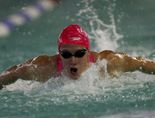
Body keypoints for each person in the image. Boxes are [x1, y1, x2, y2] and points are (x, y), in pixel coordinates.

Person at [0, 24, 155, 89]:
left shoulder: (109, 63)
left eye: (79, 54)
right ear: (59, 54)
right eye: (66, 54)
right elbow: (14, 72)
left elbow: (141, 63)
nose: (73, 60)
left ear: (88, 52)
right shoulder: (44, 67)